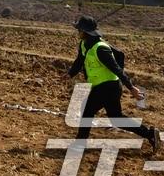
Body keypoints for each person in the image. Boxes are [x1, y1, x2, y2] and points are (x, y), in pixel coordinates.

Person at [66, 15, 159, 152]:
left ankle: (80, 144)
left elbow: (117, 69)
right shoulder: (84, 44)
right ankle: (149, 134)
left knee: (87, 110)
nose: (77, 32)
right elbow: (79, 60)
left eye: (79, 29)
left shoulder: (100, 48)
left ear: (84, 31)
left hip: (108, 87)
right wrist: (69, 74)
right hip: (103, 87)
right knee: (116, 118)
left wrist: (131, 88)